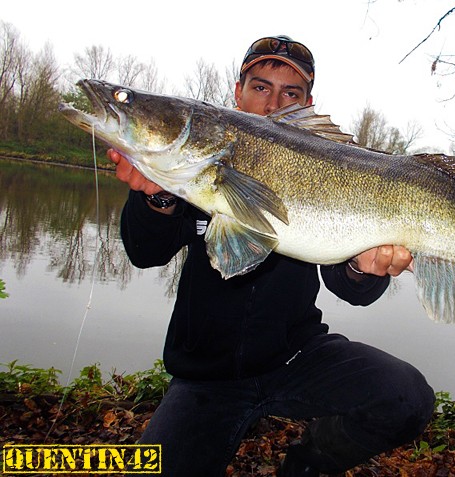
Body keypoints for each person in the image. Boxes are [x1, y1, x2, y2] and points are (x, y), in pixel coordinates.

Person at [107, 35, 435, 477]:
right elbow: (145, 253)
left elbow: (349, 287)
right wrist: (158, 199)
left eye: (290, 93)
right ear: (238, 92)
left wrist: (362, 267)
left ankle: (307, 464)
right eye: (261, 87)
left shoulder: (328, 171)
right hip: (207, 377)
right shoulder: (197, 163)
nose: (273, 102)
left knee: (407, 397)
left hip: (296, 357)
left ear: (307, 103)